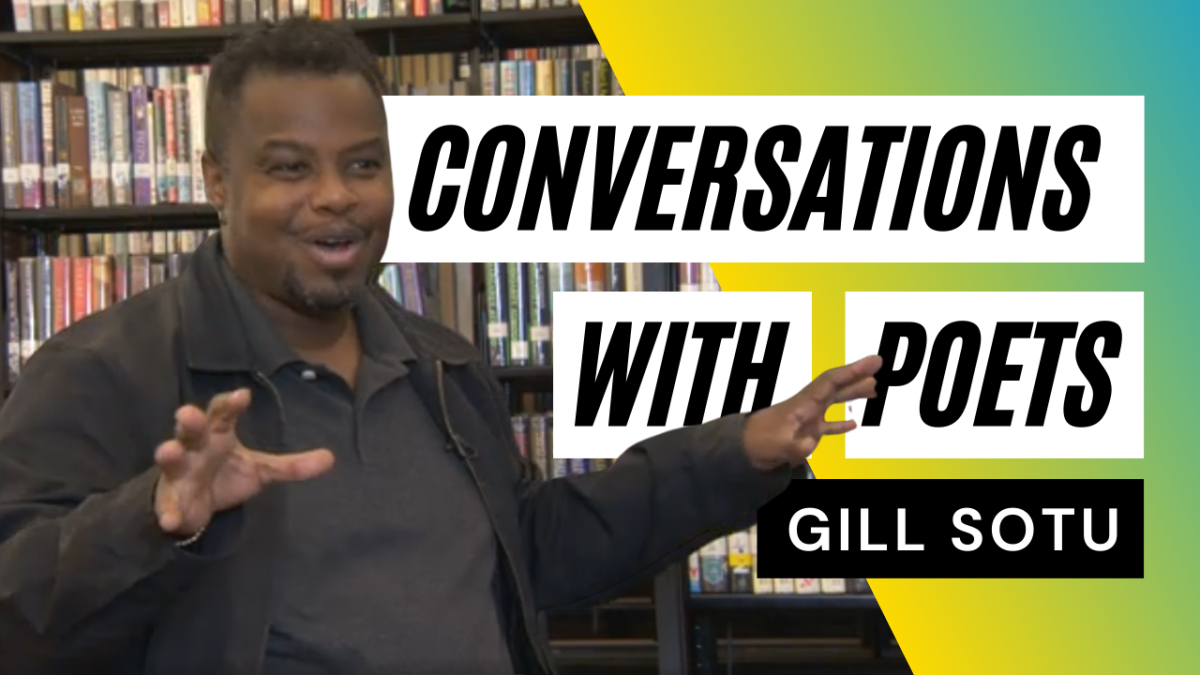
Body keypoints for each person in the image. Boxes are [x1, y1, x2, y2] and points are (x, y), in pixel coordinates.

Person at [0, 18, 881, 675]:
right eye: (290, 167)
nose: (336, 197)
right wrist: (154, 520)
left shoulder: (441, 364)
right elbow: (17, 606)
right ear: (217, 182)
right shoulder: (102, 373)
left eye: (363, 163)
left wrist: (740, 450)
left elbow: (536, 551)